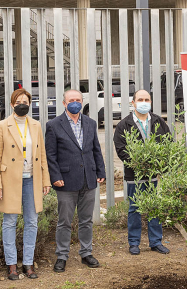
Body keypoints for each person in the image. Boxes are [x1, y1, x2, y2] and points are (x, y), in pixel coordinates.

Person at [0, 88, 52, 279]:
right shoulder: (2, 126)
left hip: (32, 179)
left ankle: (28, 263)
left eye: (25, 101)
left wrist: (46, 179)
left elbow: (42, 154)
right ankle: (11, 265)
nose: (22, 105)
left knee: (32, 222)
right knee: (9, 222)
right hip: (10, 180)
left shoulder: (36, 125)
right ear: (11, 105)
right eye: (18, 102)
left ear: (30, 103)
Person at [45, 89, 106, 273]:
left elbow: (96, 149)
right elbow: (50, 155)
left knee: (86, 220)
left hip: (89, 178)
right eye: (71, 100)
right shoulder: (54, 125)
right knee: (64, 221)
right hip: (65, 182)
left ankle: (86, 253)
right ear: (64, 103)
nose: (75, 103)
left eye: (78, 100)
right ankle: (62, 256)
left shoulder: (90, 123)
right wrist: (55, 177)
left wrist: (100, 170)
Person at [113, 89, 172, 255]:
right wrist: (137, 164)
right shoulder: (124, 125)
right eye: (140, 99)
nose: (144, 102)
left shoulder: (159, 121)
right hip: (135, 175)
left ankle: (155, 242)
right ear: (133, 103)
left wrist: (161, 164)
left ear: (151, 102)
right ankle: (134, 243)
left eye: (147, 99)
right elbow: (121, 149)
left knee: (154, 207)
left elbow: (168, 144)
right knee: (134, 208)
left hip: (154, 174)